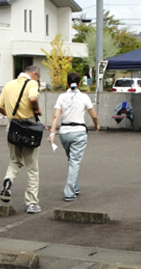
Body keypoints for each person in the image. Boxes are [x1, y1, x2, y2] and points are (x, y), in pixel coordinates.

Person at [0, 65, 42, 214]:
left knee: (15, 161)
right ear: (34, 74)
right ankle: (32, 202)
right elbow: (33, 98)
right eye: (38, 78)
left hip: (13, 127)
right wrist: (37, 109)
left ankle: (8, 182)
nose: (38, 81)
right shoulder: (32, 83)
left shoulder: (9, 84)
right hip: (29, 128)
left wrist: (10, 114)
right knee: (32, 167)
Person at [48, 73, 100, 202]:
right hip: (79, 132)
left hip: (64, 132)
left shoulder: (61, 97)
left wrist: (52, 133)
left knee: (71, 160)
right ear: (80, 84)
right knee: (74, 162)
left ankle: (75, 187)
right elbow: (94, 115)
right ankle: (69, 192)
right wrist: (96, 125)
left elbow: (56, 116)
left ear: (67, 83)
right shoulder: (84, 97)